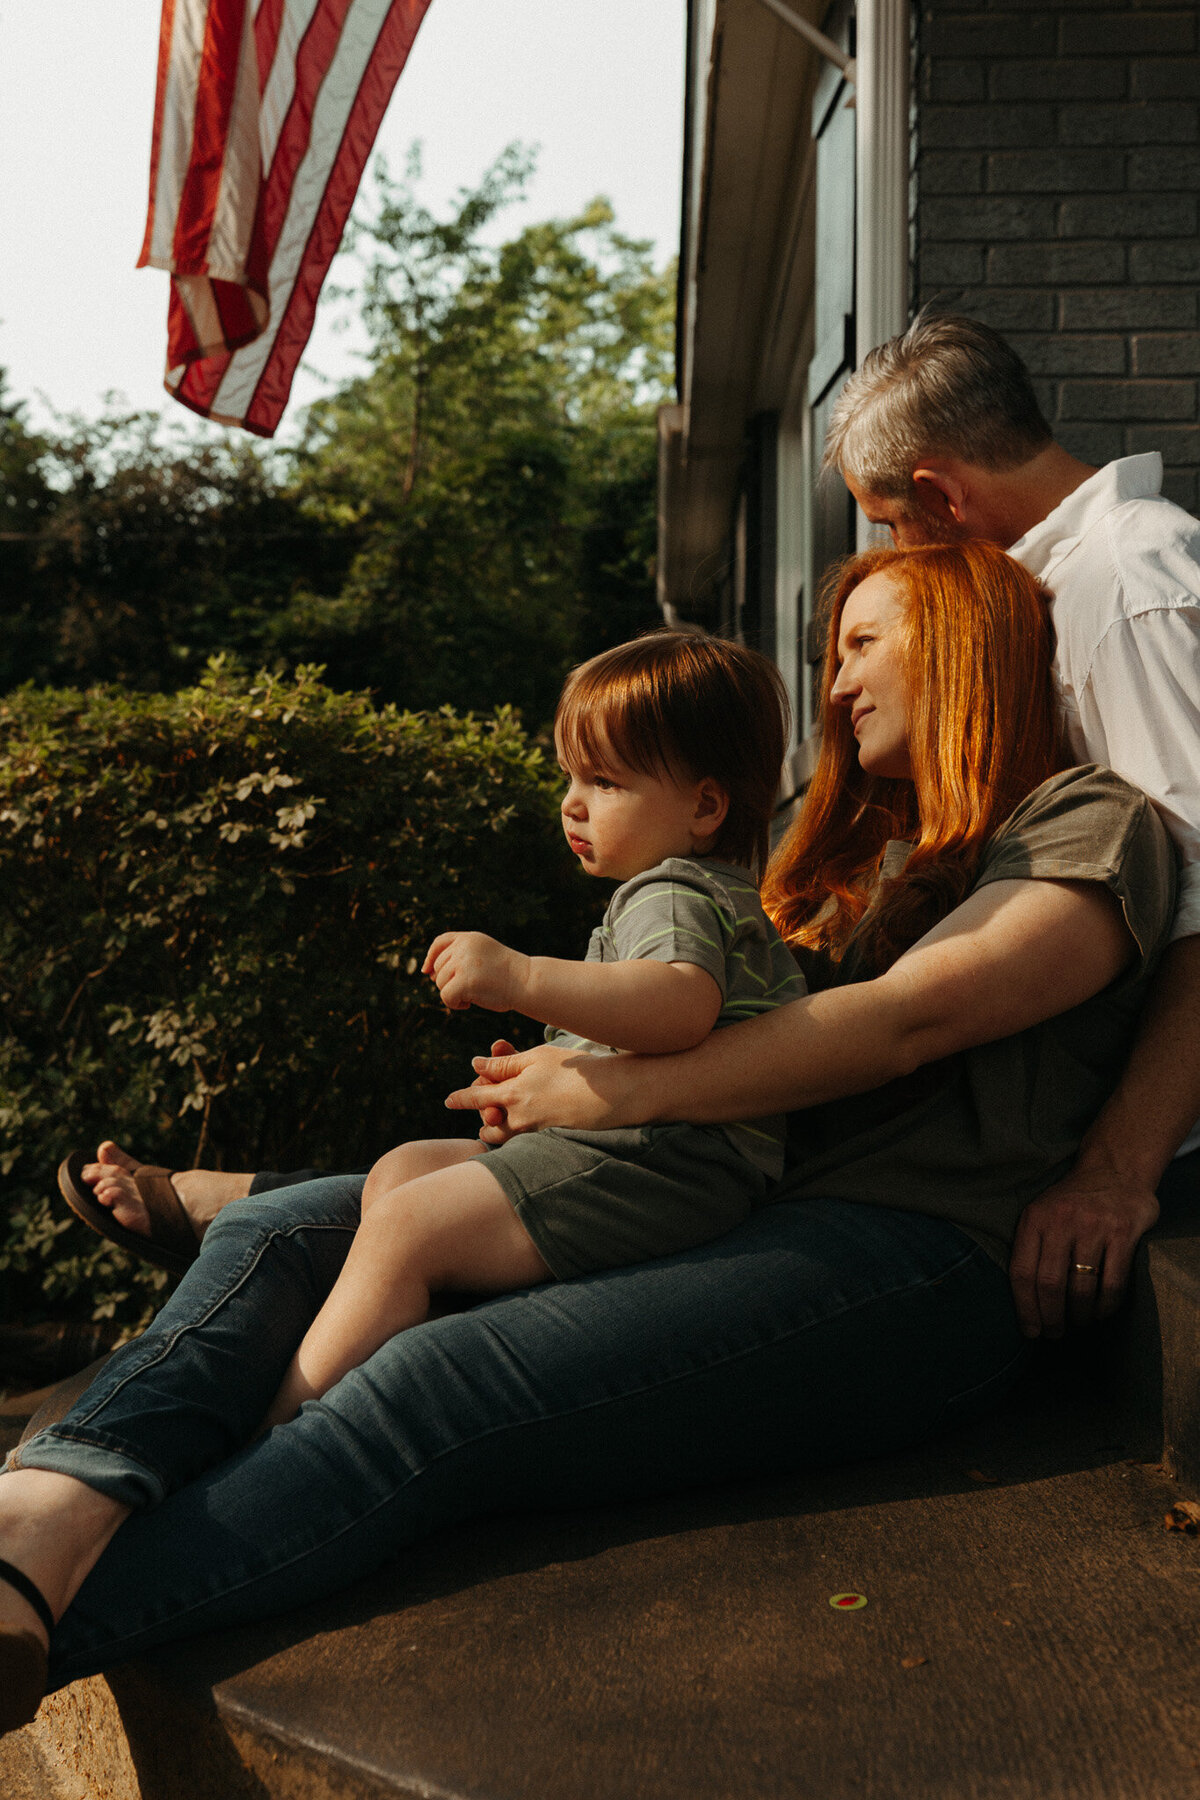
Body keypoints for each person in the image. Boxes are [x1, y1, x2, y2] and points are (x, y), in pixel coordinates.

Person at [0, 540, 1175, 1733]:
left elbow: (906, 1022)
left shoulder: (1090, 824)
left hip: (910, 1258)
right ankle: (42, 1515)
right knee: (282, 1225)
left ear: (969, 647)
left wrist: (603, 1091)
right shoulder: (889, 857)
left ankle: (54, 1622)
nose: (835, 685)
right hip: (755, 1203)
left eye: (864, 643)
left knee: (429, 1384)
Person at [260, 632, 804, 1428]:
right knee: (401, 1172)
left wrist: (518, 975)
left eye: (605, 781)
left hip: (678, 1159)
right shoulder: (688, 892)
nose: (572, 803)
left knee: (408, 1224)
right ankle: (401, 1330)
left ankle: (285, 1420)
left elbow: (676, 1006)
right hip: (652, 1148)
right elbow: (649, 1028)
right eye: (571, 778)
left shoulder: (672, 894)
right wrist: (552, 1066)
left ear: (705, 805)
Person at [820, 311, 1200, 1342]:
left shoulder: (1128, 587)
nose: (896, 556)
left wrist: (1118, 1171)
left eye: (891, 524)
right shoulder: (1063, 586)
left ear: (942, 495)